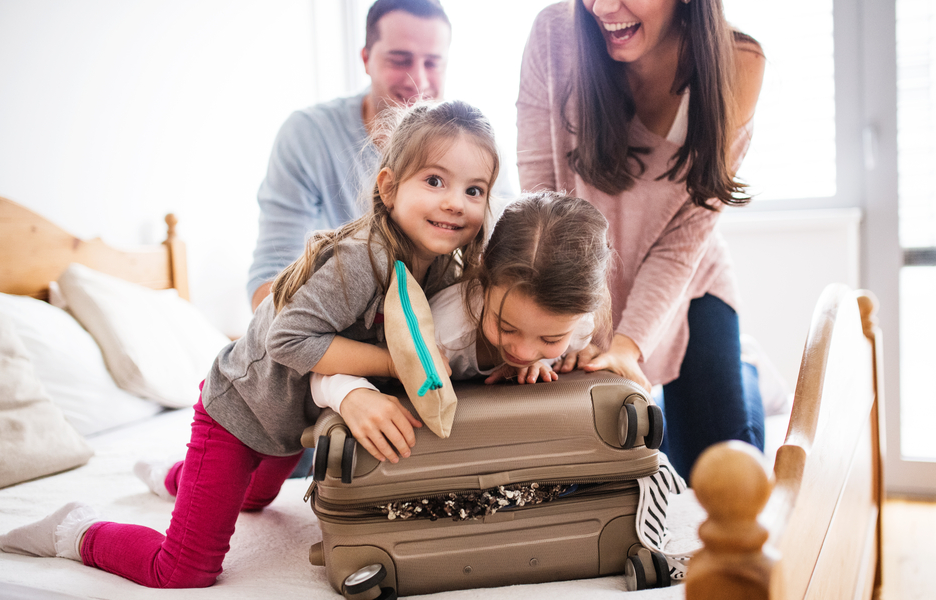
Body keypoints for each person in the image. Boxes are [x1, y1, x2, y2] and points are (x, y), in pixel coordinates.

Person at [0, 99, 500, 589]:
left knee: (255, 500)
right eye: (435, 181)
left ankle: (173, 478)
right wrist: (397, 363)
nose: (456, 201)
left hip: (290, 423)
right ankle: (76, 529)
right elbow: (291, 340)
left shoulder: (442, 271)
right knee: (183, 571)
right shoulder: (359, 259)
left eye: (474, 189)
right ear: (389, 188)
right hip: (238, 413)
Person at [516, 0, 766, 481]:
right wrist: (579, 323)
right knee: (626, 461)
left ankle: (745, 365)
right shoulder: (555, 34)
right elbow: (541, 199)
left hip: (687, 281)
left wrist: (629, 346)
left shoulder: (738, 64)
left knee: (719, 471)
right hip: (585, 280)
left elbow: (685, 240)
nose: (604, 8)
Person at [310, 191, 613, 463]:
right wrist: (349, 394)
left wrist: (557, 358)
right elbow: (321, 368)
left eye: (550, 338)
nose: (523, 351)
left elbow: (575, 343)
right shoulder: (444, 332)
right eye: (506, 328)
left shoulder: (580, 324)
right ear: (484, 278)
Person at [247, 0, 453, 311]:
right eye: (400, 60)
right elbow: (269, 285)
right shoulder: (308, 135)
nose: (418, 81)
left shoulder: (474, 147)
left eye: (433, 63)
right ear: (366, 59)